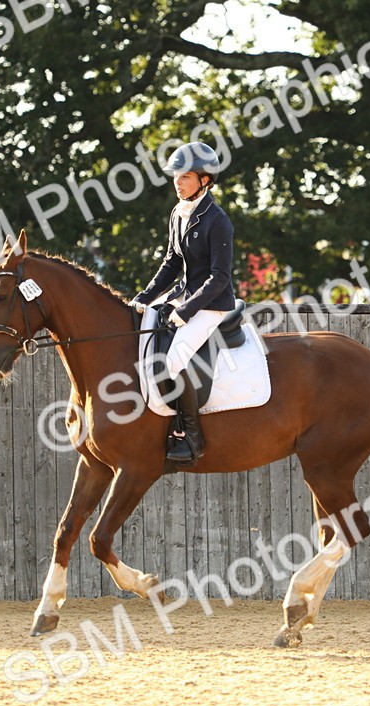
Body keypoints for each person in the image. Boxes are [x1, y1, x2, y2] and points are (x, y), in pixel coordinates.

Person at [131, 142, 238, 466]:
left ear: (205, 180)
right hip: (184, 297)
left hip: (212, 304)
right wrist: (144, 297)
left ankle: (191, 437)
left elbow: (220, 277)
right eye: (176, 176)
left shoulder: (217, 220)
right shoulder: (179, 213)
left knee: (174, 361)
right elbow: (171, 263)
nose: (177, 182)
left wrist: (186, 311)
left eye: (186, 177)